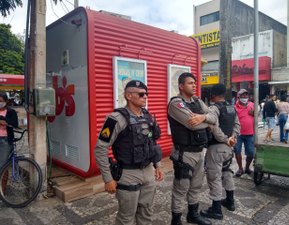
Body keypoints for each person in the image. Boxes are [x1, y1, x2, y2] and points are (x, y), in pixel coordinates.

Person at [94, 80, 164, 225]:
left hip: (148, 171)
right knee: (126, 217)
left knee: (146, 213)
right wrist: (108, 179)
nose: (145, 97)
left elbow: (151, 142)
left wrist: (158, 165)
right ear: (128, 96)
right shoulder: (115, 119)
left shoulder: (147, 116)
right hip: (128, 173)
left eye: (146, 94)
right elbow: (100, 148)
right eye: (141, 94)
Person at [168, 72, 217, 225]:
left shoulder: (197, 101)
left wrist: (203, 117)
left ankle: (193, 215)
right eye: (190, 83)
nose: (194, 85)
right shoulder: (176, 103)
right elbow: (191, 123)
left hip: (199, 152)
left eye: (194, 83)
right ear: (181, 86)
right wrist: (207, 121)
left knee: (196, 186)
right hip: (184, 153)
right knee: (181, 188)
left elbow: (214, 118)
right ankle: (176, 220)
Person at [200, 84, 240, 220]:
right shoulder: (231, 107)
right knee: (227, 173)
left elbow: (213, 127)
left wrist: (224, 139)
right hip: (229, 148)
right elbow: (237, 125)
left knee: (214, 177)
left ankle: (216, 210)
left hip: (216, 148)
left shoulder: (214, 108)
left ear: (212, 94)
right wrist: (232, 139)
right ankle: (230, 201)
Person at [233, 89, 254, 177]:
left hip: (250, 133)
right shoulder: (234, 107)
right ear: (239, 97)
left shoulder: (252, 105)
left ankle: (247, 168)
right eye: (242, 96)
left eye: (246, 96)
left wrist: (255, 113)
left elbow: (258, 115)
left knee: (251, 152)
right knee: (237, 151)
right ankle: (240, 168)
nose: (245, 97)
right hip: (238, 134)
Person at [0, 92, 19, 168]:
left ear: (6, 101)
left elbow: (15, 124)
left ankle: (3, 180)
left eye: (0, 101)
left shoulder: (11, 112)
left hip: (5, 140)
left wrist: (6, 122)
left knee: (3, 165)